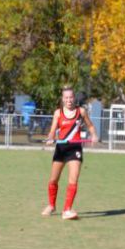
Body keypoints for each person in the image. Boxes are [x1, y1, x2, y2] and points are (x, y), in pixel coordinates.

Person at [41, 86, 98, 220]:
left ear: (74, 98)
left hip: (75, 149)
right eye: (66, 98)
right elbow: (53, 130)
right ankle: (51, 205)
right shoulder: (58, 113)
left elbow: (90, 125)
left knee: (73, 179)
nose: (69, 100)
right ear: (62, 99)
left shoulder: (81, 111)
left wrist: (94, 134)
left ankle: (67, 210)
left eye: (71, 97)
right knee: (53, 180)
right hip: (61, 149)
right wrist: (50, 138)